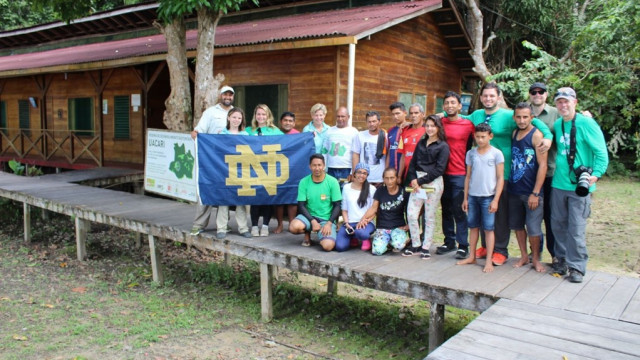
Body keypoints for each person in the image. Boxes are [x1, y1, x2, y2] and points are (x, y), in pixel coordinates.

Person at [464, 82, 553, 266]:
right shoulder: (477, 115)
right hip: (482, 174)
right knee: (483, 209)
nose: (488, 99)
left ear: (498, 97)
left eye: (492, 96)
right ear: (480, 98)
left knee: (500, 213)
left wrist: (547, 137)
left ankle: (500, 250)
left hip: (503, 173)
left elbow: (533, 121)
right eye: (485, 96)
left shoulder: (508, 115)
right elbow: (459, 117)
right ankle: (486, 246)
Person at [551, 87, 608, 283]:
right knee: (558, 225)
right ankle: (562, 260)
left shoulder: (586, 123)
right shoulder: (558, 124)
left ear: (575, 102)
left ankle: (577, 267)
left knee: (576, 228)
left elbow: (601, 152)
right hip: (559, 183)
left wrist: (597, 174)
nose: (563, 105)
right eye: (559, 101)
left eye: (567, 101)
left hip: (579, 186)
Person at [457, 123, 504, 273]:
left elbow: (500, 177)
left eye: (483, 137)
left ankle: (489, 260)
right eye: (477, 137)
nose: (480, 140)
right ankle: (472, 256)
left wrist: (496, 199)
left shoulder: (496, 154)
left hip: (488, 197)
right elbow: (468, 176)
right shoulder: (471, 154)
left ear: (490, 136)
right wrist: (465, 198)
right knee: (473, 227)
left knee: (489, 228)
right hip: (472, 196)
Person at [508, 103, 548, 272]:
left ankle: (536, 259)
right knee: (517, 225)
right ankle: (524, 255)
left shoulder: (536, 135)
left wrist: (536, 192)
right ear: (514, 117)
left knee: (533, 227)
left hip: (531, 191)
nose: (522, 120)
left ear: (532, 117)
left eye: (525, 117)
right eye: (518, 117)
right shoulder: (514, 133)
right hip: (514, 189)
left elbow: (543, 165)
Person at [190, 85, 235, 236]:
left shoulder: (236, 113)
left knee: (225, 192)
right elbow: (199, 130)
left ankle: (222, 225)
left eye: (230, 95)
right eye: (225, 95)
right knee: (206, 189)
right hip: (211, 158)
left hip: (228, 160)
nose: (227, 97)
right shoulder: (210, 112)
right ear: (220, 96)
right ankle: (199, 224)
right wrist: (196, 133)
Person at [403, 115, 450, 259]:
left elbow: (440, 169)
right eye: (427, 125)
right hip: (417, 183)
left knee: (429, 216)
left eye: (433, 126)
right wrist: (413, 179)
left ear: (438, 127)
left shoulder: (443, 146)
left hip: (433, 183)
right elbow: (412, 163)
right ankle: (415, 243)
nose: (429, 128)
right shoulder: (421, 143)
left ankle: (425, 246)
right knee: (411, 214)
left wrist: (421, 181)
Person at [437, 91, 475, 259]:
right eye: (447, 103)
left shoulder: (468, 124)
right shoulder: (439, 122)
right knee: (445, 209)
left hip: (460, 173)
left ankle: (463, 245)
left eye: (453, 103)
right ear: (444, 106)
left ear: (460, 106)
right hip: (441, 173)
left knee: (459, 210)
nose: (450, 105)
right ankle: (449, 241)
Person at [528, 82, 560, 262]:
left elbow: (573, 120)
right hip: (528, 175)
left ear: (546, 95)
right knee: (532, 218)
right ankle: (535, 255)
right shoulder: (524, 113)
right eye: (534, 92)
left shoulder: (555, 113)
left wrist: (586, 116)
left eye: (541, 92)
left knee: (551, 216)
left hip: (550, 173)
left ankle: (555, 255)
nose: (537, 94)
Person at [289, 154, 342, 250]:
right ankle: (307, 233)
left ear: (324, 166)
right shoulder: (304, 182)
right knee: (294, 227)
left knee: (328, 246)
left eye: (319, 165)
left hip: (326, 219)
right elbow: (301, 205)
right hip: (309, 217)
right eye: (314, 165)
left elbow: (337, 205)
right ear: (310, 166)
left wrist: (329, 223)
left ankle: (322, 233)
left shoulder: (333, 182)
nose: (317, 168)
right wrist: (312, 221)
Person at [246, 104, 284, 237]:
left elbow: (288, 143)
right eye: (258, 114)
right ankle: (255, 226)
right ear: (255, 115)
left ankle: (265, 226)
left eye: (263, 114)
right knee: (255, 199)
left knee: (267, 199)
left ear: (268, 116)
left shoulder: (275, 131)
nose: (261, 117)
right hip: (252, 169)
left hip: (269, 169)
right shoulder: (248, 130)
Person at [216, 108, 252, 239]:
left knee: (241, 200)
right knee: (224, 200)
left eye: (239, 118)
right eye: (234, 117)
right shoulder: (221, 134)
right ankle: (221, 228)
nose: (236, 120)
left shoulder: (246, 135)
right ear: (228, 117)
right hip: (225, 170)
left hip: (242, 170)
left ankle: (243, 228)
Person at [362, 167, 410, 256]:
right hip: (382, 227)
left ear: (397, 178)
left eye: (392, 178)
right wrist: (363, 219)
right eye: (386, 178)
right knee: (377, 251)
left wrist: (409, 225)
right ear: (383, 179)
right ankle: (387, 243)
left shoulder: (404, 191)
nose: (389, 181)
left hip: (398, 227)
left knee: (398, 245)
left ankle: (393, 241)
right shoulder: (380, 190)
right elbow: (373, 208)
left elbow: (414, 210)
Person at [335, 163, 377, 252]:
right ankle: (353, 237)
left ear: (367, 175)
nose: (361, 175)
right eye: (359, 172)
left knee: (360, 232)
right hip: (350, 222)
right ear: (354, 173)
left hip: (366, 223)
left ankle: (364, 238)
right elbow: (344, 209)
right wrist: (346, 223)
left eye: (364, 173)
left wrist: (366, 221)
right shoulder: (346, 188)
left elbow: (374, 210)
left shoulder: (372, 189)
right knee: (340, 247)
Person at [321, 106, 359, 188]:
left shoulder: (354, 132)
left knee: (345, 193)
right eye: (338, 116)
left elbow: (356, 153)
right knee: (331, 193)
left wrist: (353, 172)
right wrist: (323, 168)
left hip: (346, 169)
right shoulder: (329, 131)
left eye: (343, 116)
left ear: (348, 117)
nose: (340, 118)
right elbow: (324, 151)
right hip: (331, 168)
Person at [275, 111, 299, 234]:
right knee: (279, 199)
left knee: (292, 199)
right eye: (285, 120)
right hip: (277, 170)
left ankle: (291, 223)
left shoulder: (298, 135)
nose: (288, 123)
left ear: (294, 123)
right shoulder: (275, 134)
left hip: (293, 170)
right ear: (281, 122)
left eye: (290, 121)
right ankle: (280, 224)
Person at [352, 110, 387, 186]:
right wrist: (354, 174)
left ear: (379, 121)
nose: (371, 124)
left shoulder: (385, 136)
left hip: (380, 178)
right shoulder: (360, 135)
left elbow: (388, 157)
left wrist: (386, 175)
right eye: (369, 122)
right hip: (363, 177)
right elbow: (355, 155)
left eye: (374, 121)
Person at [397, 103, 427, 184]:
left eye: (416, 113)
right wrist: (399, 175)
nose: (413, 115)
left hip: (423, 173)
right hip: (407, 173)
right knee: (407, 196)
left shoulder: (428, 130)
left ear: (423, 114)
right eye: (411, 113)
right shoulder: (405, 130)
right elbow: (403, 155)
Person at [386, 102, 407, 171]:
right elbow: (389, 152)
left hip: (407, 171)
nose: (395, 117)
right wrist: (386, 170)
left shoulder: (410, 129)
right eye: (393, 114)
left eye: (398, 113)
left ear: (405, 113)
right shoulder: (390, 131)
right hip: (392, 171)